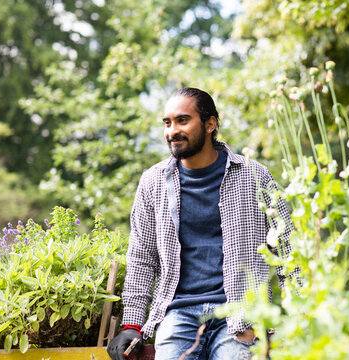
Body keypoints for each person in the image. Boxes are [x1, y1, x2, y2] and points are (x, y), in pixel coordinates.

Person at [107, 88, 294, 360]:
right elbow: (141, 258)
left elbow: (289, 251)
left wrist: (300, 316)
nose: (173, 131)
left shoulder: (255, 176)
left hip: (240, 312)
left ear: (210, 124)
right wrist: (132, 325)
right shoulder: (153, 182)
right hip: (178, 313)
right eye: (167, 123)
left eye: (183, 121)